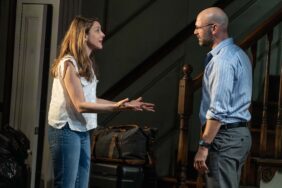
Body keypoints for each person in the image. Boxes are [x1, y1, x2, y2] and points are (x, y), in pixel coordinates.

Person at [47, 16, 155, 188]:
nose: (103, 34)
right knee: (66, 185)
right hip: (66, 129)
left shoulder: (87, 63)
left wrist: (124, 105)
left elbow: (90, 99)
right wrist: (114, 107)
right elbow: (80, 105)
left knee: (81, 184)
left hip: (83, 129)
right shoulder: (68, 63)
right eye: (97, 30)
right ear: (83, 35)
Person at [193, 7, 252, 188]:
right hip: (237, 136)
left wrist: (204, 147)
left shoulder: (223, 61)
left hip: (224, 138)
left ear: (214, 28)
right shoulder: (239, 54)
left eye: (198, 27)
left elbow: (218, 111)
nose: (195, 32)